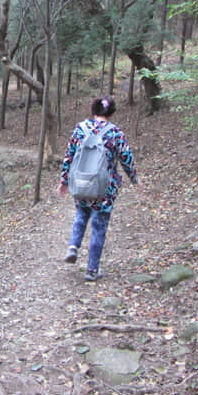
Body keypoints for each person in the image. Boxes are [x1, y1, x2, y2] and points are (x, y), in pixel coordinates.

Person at [56, 95, 138, 281]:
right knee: (99, 226)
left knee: (81, 214)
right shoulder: (116, 133)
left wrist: (64, 181)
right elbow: (126, 158)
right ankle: (92, 270)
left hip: (82, 184)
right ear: (111, 112)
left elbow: (69, 155)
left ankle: (73, 246)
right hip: (104, 189)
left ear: (93, 110)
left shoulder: (80, 129)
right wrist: (134, 178)